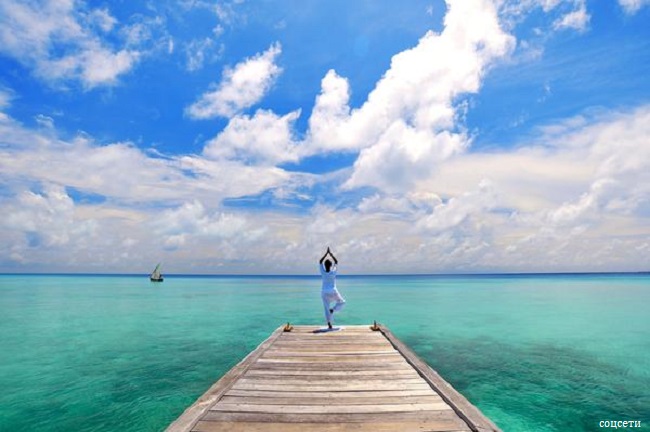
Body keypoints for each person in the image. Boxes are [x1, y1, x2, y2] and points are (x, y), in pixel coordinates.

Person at [319, 247, 346, 329]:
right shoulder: (333, 272)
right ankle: (333, 310)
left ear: (325, 266)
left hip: (324, 292)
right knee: (342, 302)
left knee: (326, 308)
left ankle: (329, 324)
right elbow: (336, 262)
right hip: (333, 291)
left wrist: (326, 254)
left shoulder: (323, 272)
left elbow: (320, 262)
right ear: (331, 265)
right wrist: (331, 254)